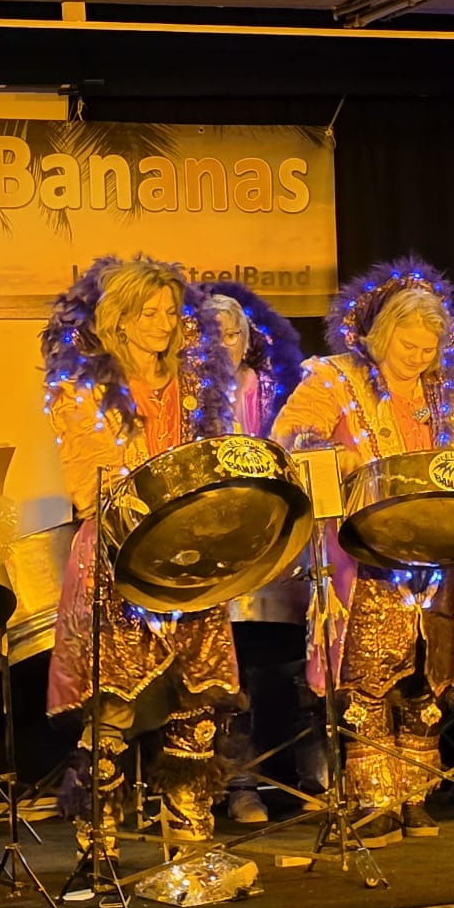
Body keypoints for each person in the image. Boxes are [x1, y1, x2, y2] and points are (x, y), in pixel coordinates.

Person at [271, 258, 454, 845]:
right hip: (366, 553)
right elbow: (291, 434)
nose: (417, 357)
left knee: (428, 675)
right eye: (407, 345)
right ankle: (374, 798)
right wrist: (332, 455)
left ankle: (414, 793)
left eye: (428, 348)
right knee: (368, 674)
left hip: (438, 549)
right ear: (381, 336)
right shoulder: (335, 379)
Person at [41, 255, 241, 901]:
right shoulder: (84, 386)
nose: (161, 323)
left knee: (196, 704)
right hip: (116, 562)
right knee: (112, 711)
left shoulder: (198, 381)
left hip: (194, 561)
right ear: (118, 319)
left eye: (169, 312)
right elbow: (87, 483)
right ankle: (96, 855)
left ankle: (192, 847)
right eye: (147, 312)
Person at [201, 283, 323, 825]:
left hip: (277, 536)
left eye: (233, 334)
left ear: (247, 337)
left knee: (299, 660)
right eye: (213, 336)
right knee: (232, 672)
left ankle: (311, 774)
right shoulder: (189, 392)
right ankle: (240, 785)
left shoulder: (277, 385)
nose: (224, 344)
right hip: (216, 541)